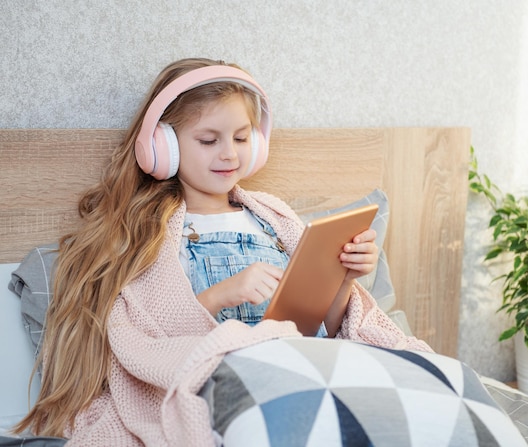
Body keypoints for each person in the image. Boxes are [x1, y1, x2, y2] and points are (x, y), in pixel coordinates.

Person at [14, 58, 433, 445]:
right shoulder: (147, 234)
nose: (229, 153)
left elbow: (328, 324)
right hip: (224, 382)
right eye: (209, 140)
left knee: (420, 396)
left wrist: (343, 277)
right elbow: (146, 342)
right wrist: (224, 294)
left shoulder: (275, 217)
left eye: (240, 137)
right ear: (164, 146)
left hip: (305, 364)